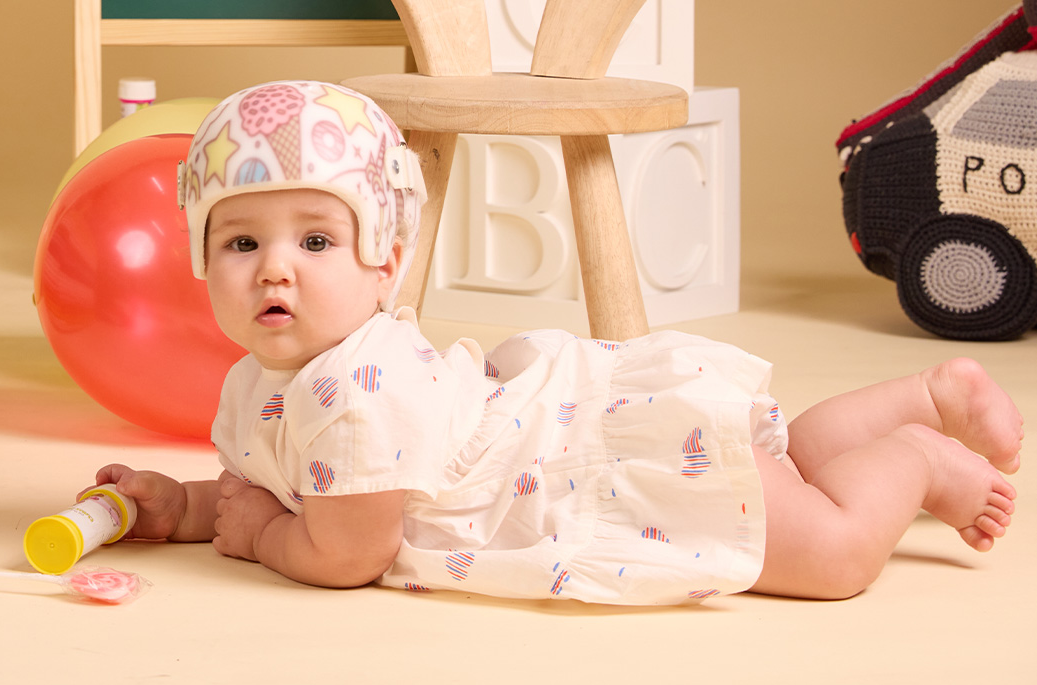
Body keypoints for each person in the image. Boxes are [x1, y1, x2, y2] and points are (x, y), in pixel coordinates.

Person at [85, 81, 1022, 604]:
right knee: (788, 471)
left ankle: (916, 456)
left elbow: (343, 550)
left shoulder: (356, 388)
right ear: (203, 261)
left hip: (592, 471)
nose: (275, 271)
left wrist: (263, 542)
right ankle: (925, 396)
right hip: (584, 430)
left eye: (317, 242)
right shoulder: (259, 381)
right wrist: (181, 506)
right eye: (242, 244)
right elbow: (269, 486)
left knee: (834, 556)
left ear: (385, 263)